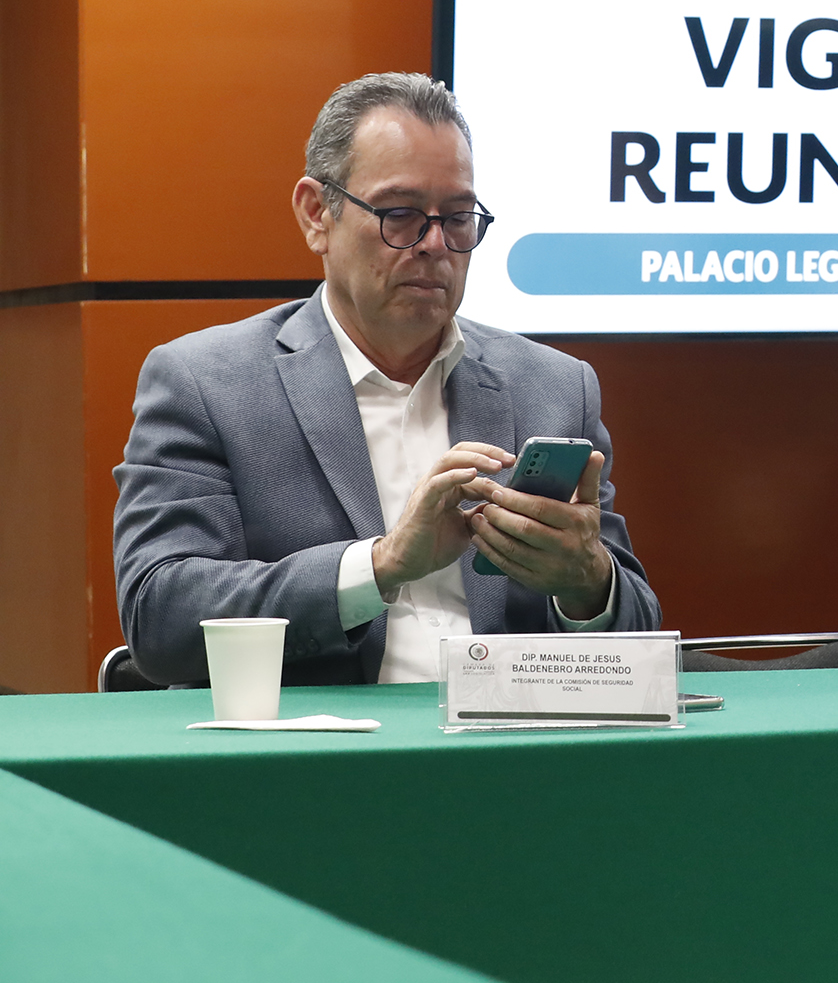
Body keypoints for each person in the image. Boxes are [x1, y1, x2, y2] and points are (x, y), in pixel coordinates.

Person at [113, 73, 661, 686]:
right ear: (317, 214)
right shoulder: (207, 383)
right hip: (320, 742)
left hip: (514, 739)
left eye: (458, 218)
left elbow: (640, 637)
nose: (435, 244)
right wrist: (381, 566)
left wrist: (588, 583)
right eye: (400, 215)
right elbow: (160, 615)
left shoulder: (554, 387)